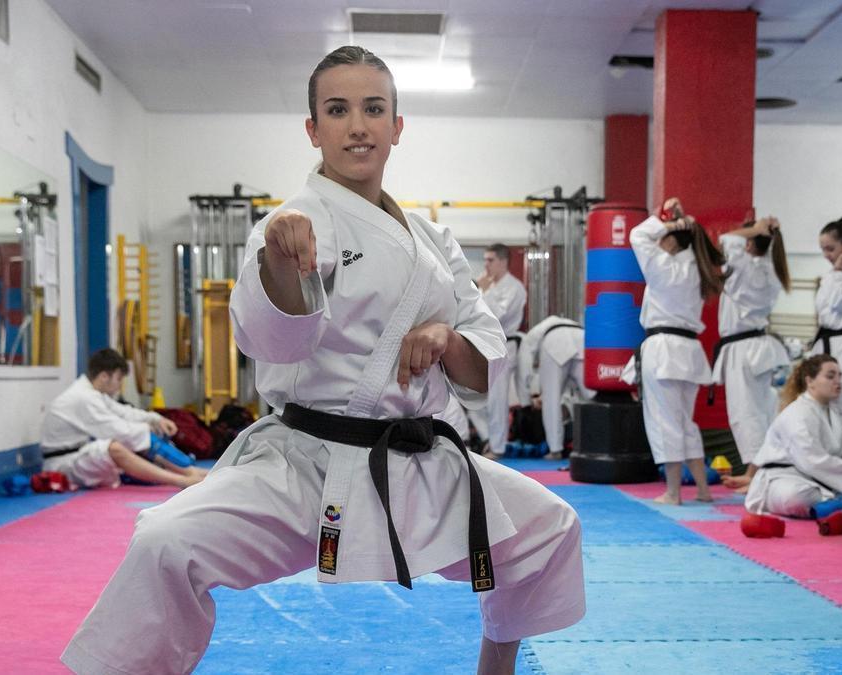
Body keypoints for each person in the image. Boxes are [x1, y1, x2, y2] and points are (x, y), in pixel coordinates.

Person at [62, 46, 585, 675]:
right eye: (337, 110)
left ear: (398, 126)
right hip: (304, 464)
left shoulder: (433, 240)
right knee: (163, 541)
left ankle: (495, 667)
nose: (357, 125)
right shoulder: (293, 224)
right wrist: (281, 265)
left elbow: (482, 366)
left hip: (417, 463)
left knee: (550, 528)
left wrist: (447, 337)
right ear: (313, 129)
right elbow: (277, 341)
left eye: (374, 109)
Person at [622, 197, 726, 505]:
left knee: (665, 421)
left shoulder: (663, 266)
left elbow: (638, 235)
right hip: (689, 351)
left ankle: (673, 492)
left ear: (670, 240)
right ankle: (703, 490)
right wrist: (680, 222)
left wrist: (666, 222)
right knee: (685, 421)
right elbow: (688, 240)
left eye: (664, 237)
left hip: (664, 348)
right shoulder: (697, 268)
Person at [40, 348, 207, 490]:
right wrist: (146, 429)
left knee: (135, 437)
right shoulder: (83, 398)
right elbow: (117, 430)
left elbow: (123, 412)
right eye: (119, 379)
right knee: (115, 447)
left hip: (79, 456)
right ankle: (183, 478)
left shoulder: (92, 393)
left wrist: (154, 419)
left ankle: (189, 471)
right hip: (62, 466)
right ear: (104, 376)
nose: (120, 385)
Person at [713, 217, 792, 492]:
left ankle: (756, 475)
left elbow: (726, 237)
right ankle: (755, 472)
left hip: (745, 351)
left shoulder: (748, 267)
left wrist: (756, 229)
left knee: (746, 414)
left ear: (749, 243)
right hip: (756, 348)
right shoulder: (770, 268)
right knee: (760, 411)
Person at [745, 354, 842, 518]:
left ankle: (835, 502)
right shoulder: (797, 413)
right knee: (795, 498)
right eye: (830, 376)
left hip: (823, 480)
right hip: (784, 478)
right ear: (810, 381)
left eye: (839, 376)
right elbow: (811, 460)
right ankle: (841, 502)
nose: (837, 381)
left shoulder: (840, 414)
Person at [470, 242, 527, 458]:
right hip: (482, 345)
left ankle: (498, 447)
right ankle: (488, 438)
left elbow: (498, 316)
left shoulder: (515, 287)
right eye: (485, 260)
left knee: (497, 398)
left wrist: (482, 291)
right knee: (473, 396)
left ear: (503, 261)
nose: (486, 264)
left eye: (490, 260)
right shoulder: (489, 286)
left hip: (504, 346)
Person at [516, 315, 590, 459]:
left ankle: (555, 450)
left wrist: (526, 402)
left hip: (555, 341)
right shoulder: (558, 322)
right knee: (592, 396)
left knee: (551, 399)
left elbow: (524, 368)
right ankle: (599, 444)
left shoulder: (529, 337)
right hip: (582, 338)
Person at [809, 216, 842, 417]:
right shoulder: (831, 275)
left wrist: (839, 270)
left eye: (830, 248)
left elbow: (841, 303)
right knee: (823, 412)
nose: (826, 255)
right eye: (823, 250)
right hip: (826, 346)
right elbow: (823, 312)